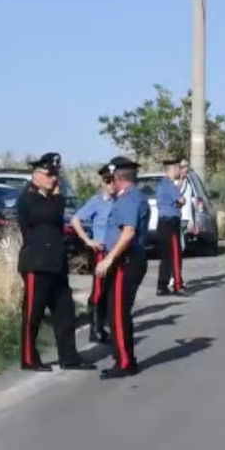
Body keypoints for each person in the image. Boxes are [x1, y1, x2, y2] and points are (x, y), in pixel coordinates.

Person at [16, 152, 93, 372]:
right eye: (50, 174)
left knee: (65, 313)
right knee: (33, 314)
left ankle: (69, 358)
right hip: (36, 265)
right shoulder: (29, 198)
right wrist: (58, 196)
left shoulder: (49, 197)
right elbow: (51, 213)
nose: (54, 179)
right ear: (36, 175)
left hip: (56, 265)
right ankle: (29, 358)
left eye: (56, 174)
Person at [97, 157, 150, 379]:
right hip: (130, 259)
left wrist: (109, 259)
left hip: (125, 261)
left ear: (118, 177)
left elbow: (128, 232)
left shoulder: (128, 199)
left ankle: (125, 363)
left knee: (117, 314)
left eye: (113, 178)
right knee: (116, 312)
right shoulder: (137, 196)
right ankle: (125, 358)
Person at [70, 163, 117, 344]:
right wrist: (87, 240)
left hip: (115, 252)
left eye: (113, 180)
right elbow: (75, 220)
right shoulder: (96, 202)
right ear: (102, 183)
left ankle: (106, 325)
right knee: (98, 290)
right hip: (101, 252)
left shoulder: (120, 201)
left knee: (111, 291)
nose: (111, 184)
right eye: (107, 181)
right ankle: (95, 329)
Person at [152, 156, 185, 297]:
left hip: (163, 223)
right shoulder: (169, 185)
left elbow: (175, 196)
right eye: (179, 168)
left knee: (166, 256)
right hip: (171, 222)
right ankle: (178, 285)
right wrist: (179, 203)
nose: (180, 170)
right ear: (173, 169)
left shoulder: (163, 184)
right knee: (175, 254)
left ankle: (162, 285)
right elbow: (181, 200)